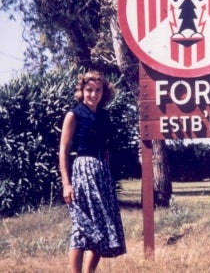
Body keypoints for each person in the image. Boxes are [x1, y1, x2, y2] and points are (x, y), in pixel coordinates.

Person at [59, 71, 126, 273]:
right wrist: (66, 184)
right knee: (81, 227)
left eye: (98, 90)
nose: (93, 95)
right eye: (89, 90)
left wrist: (106, 173)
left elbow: (106, 149)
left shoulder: (104, 116)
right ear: (82, 91)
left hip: (102, 173)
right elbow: (63, 150)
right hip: (82, 171)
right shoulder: (74, 115)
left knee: (101, 226)